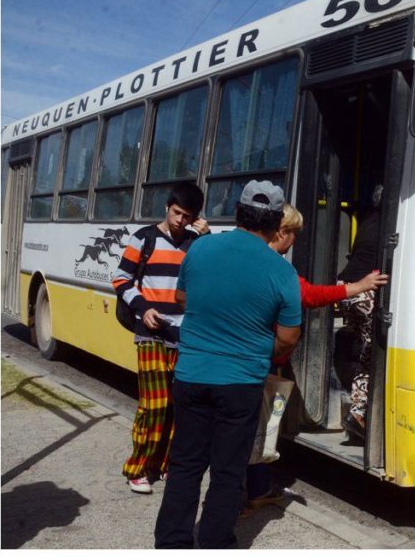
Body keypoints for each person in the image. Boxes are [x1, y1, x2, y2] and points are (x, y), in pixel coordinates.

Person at [154, 180, 302, 549]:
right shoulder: (281, 271)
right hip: (241, 383)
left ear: (238, 213)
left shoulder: (201, 248)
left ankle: (172, 543)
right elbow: (287, 338)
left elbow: (182, 297)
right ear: (275, 223)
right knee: (227, 470)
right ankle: (215, 542)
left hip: (191, 376)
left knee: (185, 464)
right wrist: (251, 344)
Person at [242, 203, 388, 516]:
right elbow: (307, 295)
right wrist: (358, 287)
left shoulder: (248, 257)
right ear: (281, 232)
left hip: (246, 357)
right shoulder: (272, 264)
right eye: (293, 234)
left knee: (259, 426)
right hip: (258, 358)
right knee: (258, 427)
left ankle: (256, 487)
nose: (294, 241)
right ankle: (251, 493)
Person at [112, 181, 209, 494]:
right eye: (176, 212)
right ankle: (138, 468)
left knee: (180, 406)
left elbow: (210, 273)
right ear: (167, 207)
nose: (180, 220)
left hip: (184, 333)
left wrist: (205, 238)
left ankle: (167, 465)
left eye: (187, 215)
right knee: (154, 404)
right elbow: (121, 278)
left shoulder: (197, 242)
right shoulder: (144, 238)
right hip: (150, 332)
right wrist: (143, 307)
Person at [336, 184, 383, 440]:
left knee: (363, 351)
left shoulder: (368, 219)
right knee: (373, 355)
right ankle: (358, 413)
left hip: (347, 288)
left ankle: (358, 410)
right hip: (364, 292)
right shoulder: (390, 224)